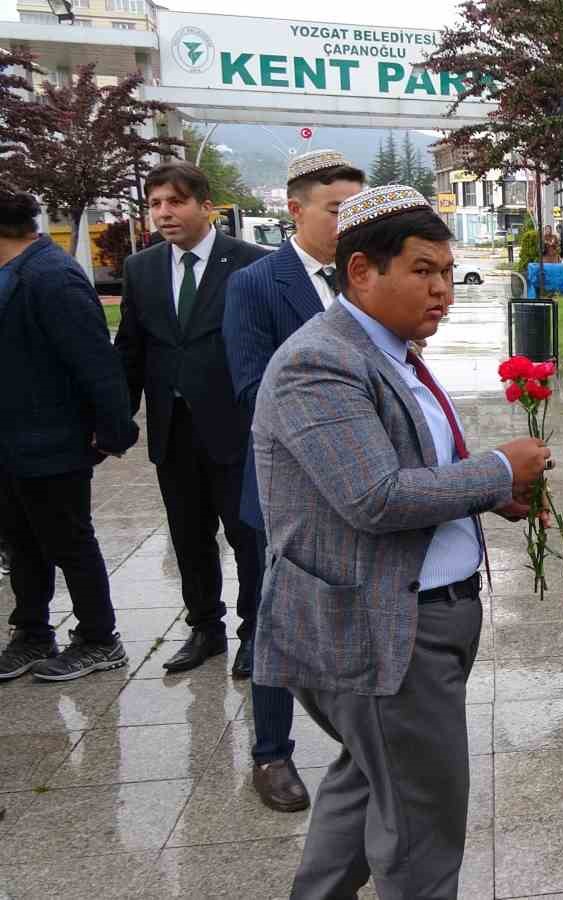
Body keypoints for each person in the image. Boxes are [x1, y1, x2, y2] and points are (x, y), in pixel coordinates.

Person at [252, 185, 552, 898]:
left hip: (415, 620)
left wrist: (492, 493)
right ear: (361, 271)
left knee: (368, 782)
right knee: (421, 832)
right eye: (423, 271)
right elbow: (375, 496)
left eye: (447, 272)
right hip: (384, 632)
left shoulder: (390, 351)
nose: (443, 289)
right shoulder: (319, 361)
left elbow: (410, 471)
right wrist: (497, 468)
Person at [222, 149, 365, 813]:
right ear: (296, 208)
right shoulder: (257, 285)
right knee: (274, 623)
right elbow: (253, 389)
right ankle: (271, 754)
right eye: (338, 210)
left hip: (364, 486)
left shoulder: (366, 277)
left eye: (358, 211)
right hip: (286, 489)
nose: (349, 223)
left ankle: (361, 737)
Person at [115, 163, 269, 674]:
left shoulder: (251, 265)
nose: (164, 213)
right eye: (156, 203)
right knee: (188, 535)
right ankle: (206, 627)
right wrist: (116, 418)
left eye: (175, 202)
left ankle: (254, 631)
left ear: (207, 206)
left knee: (247, 535)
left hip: (235, 427)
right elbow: (131, 350)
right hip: (172, 430)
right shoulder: (141, 269)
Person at [0, 188, 139, 682]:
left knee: (69, 541)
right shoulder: (12, 273)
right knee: (23, 542)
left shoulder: (51, 277)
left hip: (52, 442)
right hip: (12, 443)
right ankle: (33, 633)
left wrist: (112, 431)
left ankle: (101, 639)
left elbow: (97, 364)